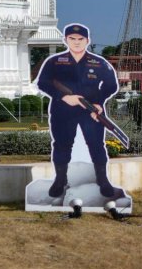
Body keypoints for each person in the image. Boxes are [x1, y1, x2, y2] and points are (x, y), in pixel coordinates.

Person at [36, 23, 119, 198]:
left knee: (96, 145)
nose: (76, 42)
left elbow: (111, 85)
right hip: (63, 110)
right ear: (65, 40)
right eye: (72, 39)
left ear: (87, 41)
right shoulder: (54, 61)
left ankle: (103, 181)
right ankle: (60, 180)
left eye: (80, 39)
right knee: (61, 145)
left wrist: (99, 103)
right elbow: (42, 82)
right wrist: (62, 96)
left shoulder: (98, 62)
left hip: (91, 111)